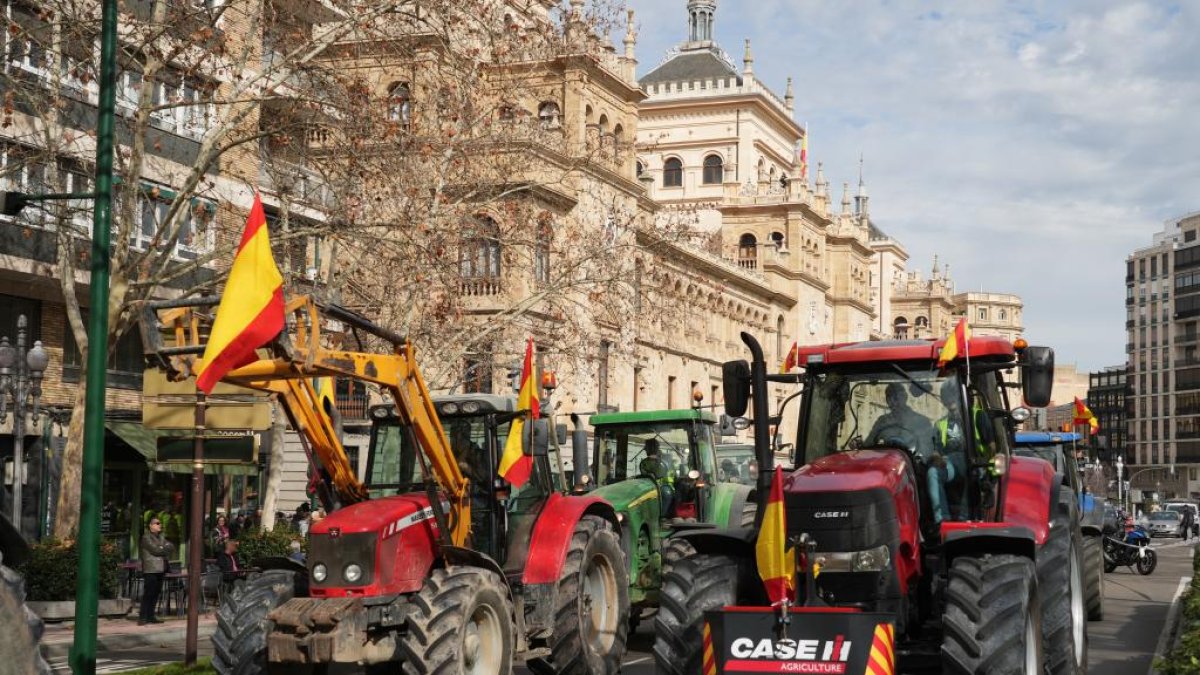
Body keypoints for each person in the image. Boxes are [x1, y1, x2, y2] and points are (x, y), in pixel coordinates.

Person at [928, 383, 970, 524]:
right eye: (946, 396)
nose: (949, 399)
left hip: (973, 461)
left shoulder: (976, 416)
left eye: (952, 395)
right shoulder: (940, 424)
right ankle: (942, 520)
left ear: (959, 396)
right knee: (933, 472)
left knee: (975, 472)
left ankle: (965, 518)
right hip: (950, 463)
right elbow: (935, 450)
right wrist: (936, 457)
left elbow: (992, 446)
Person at [866, 383, 935, 458]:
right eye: (889, 399)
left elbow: (927, 452)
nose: (893, 402)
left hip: (912, 462)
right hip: (888, 461)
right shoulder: (882, 421)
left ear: (905, 397)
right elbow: (869, 444)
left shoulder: (922, 421)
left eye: (896, 398)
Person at [138, 517, 174, 625]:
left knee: (156, 593)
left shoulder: (161, 537)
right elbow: (155, 550)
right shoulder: (146, 537)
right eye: (157, 523)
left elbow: (171, 546)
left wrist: (162, 547)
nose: (159, 525)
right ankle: (143, 617)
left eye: (160, 523)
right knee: (149, 593)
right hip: (151, 569)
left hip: (161, 568)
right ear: (150, 525)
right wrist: (163, 548)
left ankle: (151, 615)